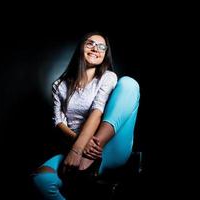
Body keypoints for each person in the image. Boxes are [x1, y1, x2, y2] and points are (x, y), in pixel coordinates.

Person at [32, 31, 140, 200]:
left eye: (101, 46)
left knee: (129, 84)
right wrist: (79, 144)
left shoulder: (107, 77)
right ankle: (86, 158)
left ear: (105, 54)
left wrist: (79, 150)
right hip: (78, 145)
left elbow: (97, 112)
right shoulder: (59, 85)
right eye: (90, 44)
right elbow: (59, 123)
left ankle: (89, 159)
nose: (95, 49)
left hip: (107, 146)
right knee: (42, 180)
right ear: (81, 48)